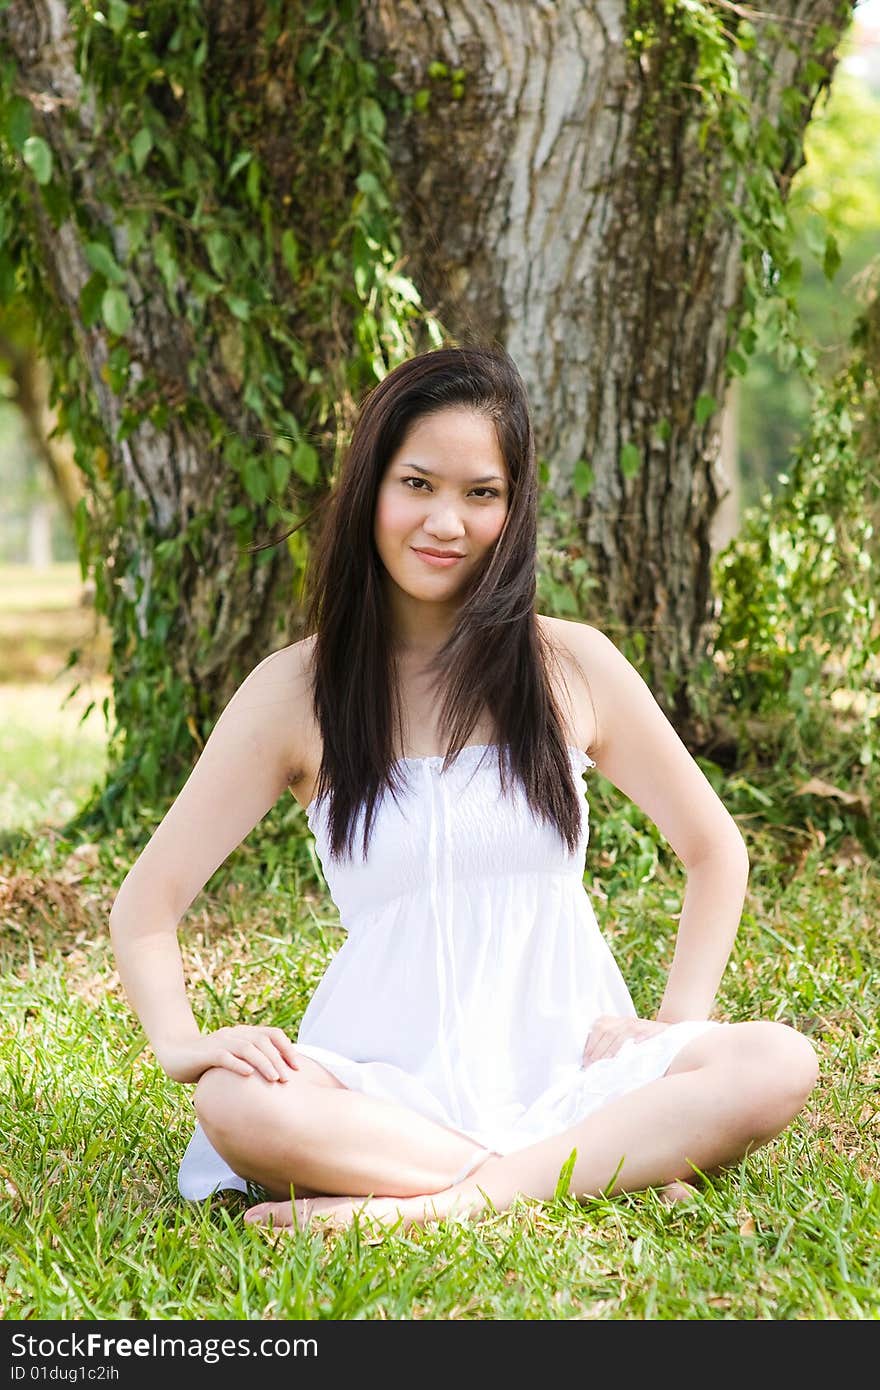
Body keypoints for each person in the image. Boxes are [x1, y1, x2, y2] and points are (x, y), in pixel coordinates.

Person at [109, 344, 819, 1236]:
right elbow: (146, 907)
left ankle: (441, 1206)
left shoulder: (572, 665)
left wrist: (672, 1028)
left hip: (569, 1067)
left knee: (778, 1060)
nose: (446, 520)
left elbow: (716, 850)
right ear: (371, 486)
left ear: (513, 508)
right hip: (385, 1083)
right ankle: (608, 1168)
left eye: (481, 493)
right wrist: (182, 1046)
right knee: (239, 1107)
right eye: (418, 484)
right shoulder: (297, 692)